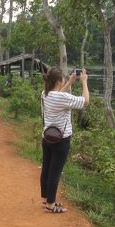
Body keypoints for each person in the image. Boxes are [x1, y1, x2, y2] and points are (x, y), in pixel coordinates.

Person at [40, 68, 89, 213]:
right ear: (58, 81)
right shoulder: (61, 97)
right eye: (63, 79)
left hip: (47, 137)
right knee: (55, 172)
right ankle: (50, 205)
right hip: (61, 140)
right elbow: (85, 101)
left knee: (47, 169)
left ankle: (47, 198)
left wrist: (69, 83)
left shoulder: (45, 94)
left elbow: (58, 95)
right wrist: (84, 82)